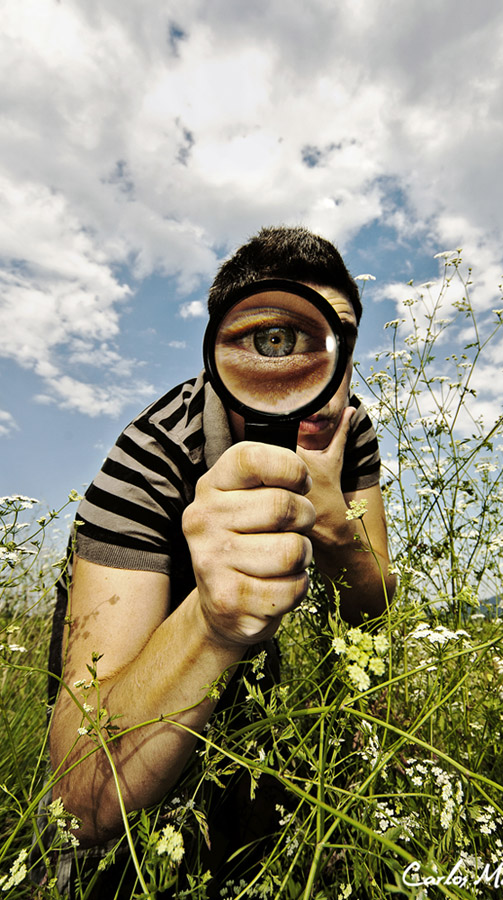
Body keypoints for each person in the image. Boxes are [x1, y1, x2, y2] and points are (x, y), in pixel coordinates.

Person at [46, 225, 395, 890]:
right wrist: (211, 621)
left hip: (268, 722)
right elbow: (81, 800)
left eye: (339, 341)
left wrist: (338, 529)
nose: (319, 379)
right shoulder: (149, 459)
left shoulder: (350, 434)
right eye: (274, 340)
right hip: (140, 685)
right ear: (216, 359)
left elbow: (374, 604)